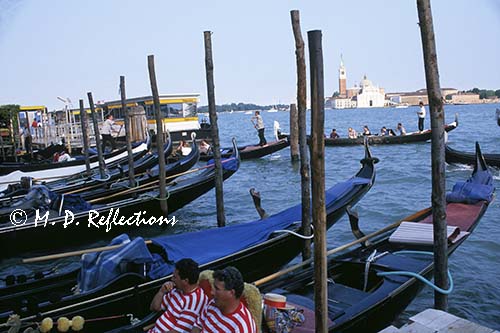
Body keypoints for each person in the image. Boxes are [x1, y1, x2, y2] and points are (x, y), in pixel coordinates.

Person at [149, 258, 209, 333]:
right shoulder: (177, 290)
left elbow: (177, 332)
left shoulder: (195, 301)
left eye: (175, 277)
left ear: (185, 281)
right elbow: (154, 308)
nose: (172, 279)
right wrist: (161, 291)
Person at [192, 266, 256, 333]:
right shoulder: (214, 302)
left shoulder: (242, 327)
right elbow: (198, 325)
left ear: (231, 293)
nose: (212, 292)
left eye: (217, 289)